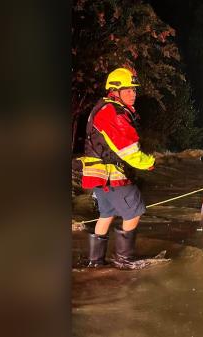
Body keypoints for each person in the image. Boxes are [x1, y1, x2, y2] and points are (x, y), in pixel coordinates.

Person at [79, 67, 155, 269]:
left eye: (134, 90)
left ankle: (95, 262)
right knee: (134, 210)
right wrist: (149, 163)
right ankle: (123, 260)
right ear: (114, 92)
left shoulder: (103, 108)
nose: (133, 94)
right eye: (128, 90)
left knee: (107, 214)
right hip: (111, 176)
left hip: (100, 176)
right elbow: (128, 151)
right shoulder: (113, 112)